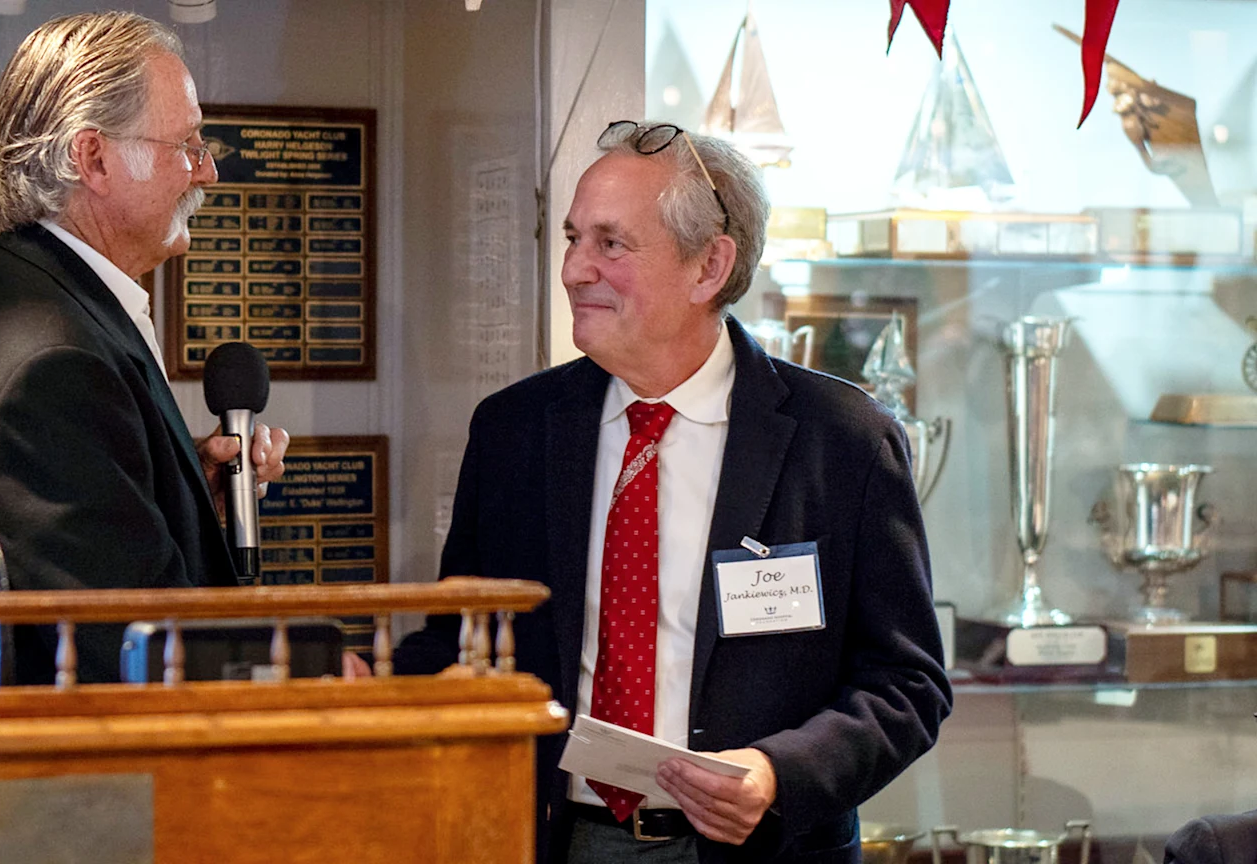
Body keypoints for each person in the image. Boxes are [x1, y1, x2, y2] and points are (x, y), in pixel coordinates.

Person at [394, 120, 951, 864]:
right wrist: (382, 684)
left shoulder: (840, 440)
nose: (573, 269)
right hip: (556, 839)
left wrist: (778, 774)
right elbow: (462, 640)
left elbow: (906, 684)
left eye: (610, 244)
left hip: (760, 848)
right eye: (572, 238)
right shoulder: (516, 431)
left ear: (708, 267)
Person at [0, 11, 288, 687]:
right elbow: (128, 643)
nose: (208, 172)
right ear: (93, 157)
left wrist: (188, 503)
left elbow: (84, 554)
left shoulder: (38, 293)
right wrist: (306, 671)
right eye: (188, 144)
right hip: (43, 783)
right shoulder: (49, 357)